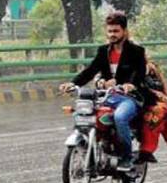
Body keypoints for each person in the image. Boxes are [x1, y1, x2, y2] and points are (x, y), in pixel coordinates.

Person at [59, 11, 147, 172]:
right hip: (108, 96)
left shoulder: (136, 51)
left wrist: (130, 85)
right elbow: (90, 70)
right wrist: (72, 83)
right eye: (110, 31)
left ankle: (127, 158)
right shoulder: (103, 51)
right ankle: (96, 148)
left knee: (120, 117)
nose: (112, 34)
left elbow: (140, 73)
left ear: (124, 31)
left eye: (116, 31)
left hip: (129, 98)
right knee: (86, 116)